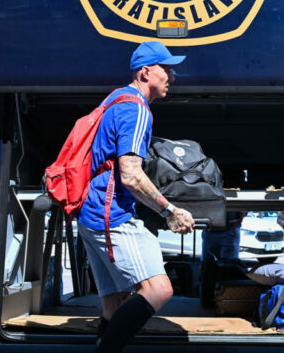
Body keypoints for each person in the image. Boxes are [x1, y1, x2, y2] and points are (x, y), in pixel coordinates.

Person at [77, 41, 195, 353]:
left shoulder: (116, 99)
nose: (172, 75)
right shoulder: (137, 109)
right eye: (166, 69)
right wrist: (170, 210)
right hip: (112, 216)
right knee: (159, 289)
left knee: (114, 305)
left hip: (92, 215)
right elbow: (130, 175)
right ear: (145, 72)